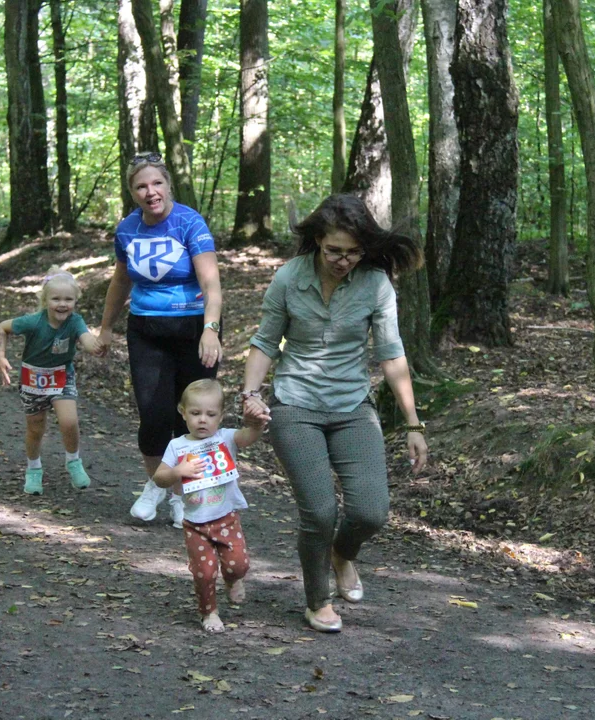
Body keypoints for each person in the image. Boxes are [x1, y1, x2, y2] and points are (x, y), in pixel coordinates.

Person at [241, 194, 429, 633]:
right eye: (334, 251)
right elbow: (266, 341)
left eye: (353, 252)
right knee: (320, 511)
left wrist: (413, 424)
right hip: (295, 404)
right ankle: (317, 600)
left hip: (351, 406)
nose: (344, 260)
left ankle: (343, 553)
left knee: (370, 511)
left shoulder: (376, 284)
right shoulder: (289, 277)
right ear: (317, 242)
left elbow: (391, 354)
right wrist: (251, 393)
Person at [96, 152, 223, 528]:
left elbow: (211, 283)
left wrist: (211, 328)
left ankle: (186, 496)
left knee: (194, 418)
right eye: (141, 186)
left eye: (156, 183)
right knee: (154, 417)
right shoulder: (128, 229)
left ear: (168, 185)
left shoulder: (189, 222)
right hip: (147, 329)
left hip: (193, 329)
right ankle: (159, 486)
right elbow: (120, 282)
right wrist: (105, 327)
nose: (150, 192)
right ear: (133, 192)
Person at [151, 379, 265, 632]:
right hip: (195, 524)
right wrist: (178, 471)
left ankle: (233, 579)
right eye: (195, 413)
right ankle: (209, 612)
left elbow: (247, 437)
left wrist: (256, 425)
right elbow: (159, 478)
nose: (203, 419)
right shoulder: (177, 446)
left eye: (210, 414)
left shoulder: (225, 438)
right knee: (204, 572)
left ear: (221, 416)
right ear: (183, 413)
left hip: (226, 518)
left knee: (239, 565)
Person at [0, 268, 98, 495]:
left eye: (68, 299)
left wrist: (96, 346)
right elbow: (3, 327)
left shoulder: (75, 321)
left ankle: (73, 461)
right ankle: (33, 469)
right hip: (32, 379)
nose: (62, 304)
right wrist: (1, 357)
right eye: (56, 299)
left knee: (69, 420)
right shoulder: (32, 322)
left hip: (62, 376)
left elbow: (87, 338)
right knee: (35, 427)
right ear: (45, 301)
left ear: (75, 301)